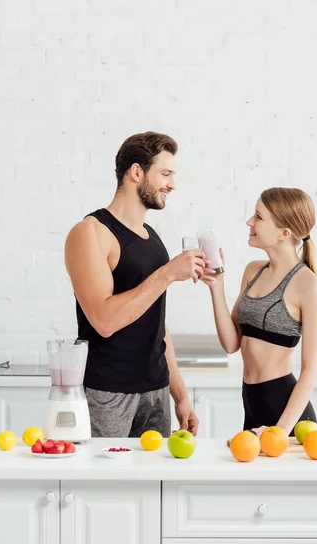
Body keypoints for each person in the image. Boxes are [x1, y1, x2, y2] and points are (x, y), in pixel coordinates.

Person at [65, 132, 204, 438]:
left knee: (154, 486)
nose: (172, 184)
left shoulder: (151, 236)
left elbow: (158, 326)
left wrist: (179, 395)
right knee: (105, 485)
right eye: (164, 174)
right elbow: (103, 320)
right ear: (136, 171)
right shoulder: (90, 232)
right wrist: (168, 273)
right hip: (108, 393)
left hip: (156, 391)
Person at [200, 187, 317, 436]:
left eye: (258, 217)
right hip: (251, 401)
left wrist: (279, 432)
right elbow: (231, 343)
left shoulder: (307, 284)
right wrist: (217, 286)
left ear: (284, 233)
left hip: (285, 411)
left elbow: (310, 370)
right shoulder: (253, 271)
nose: (250, 222)